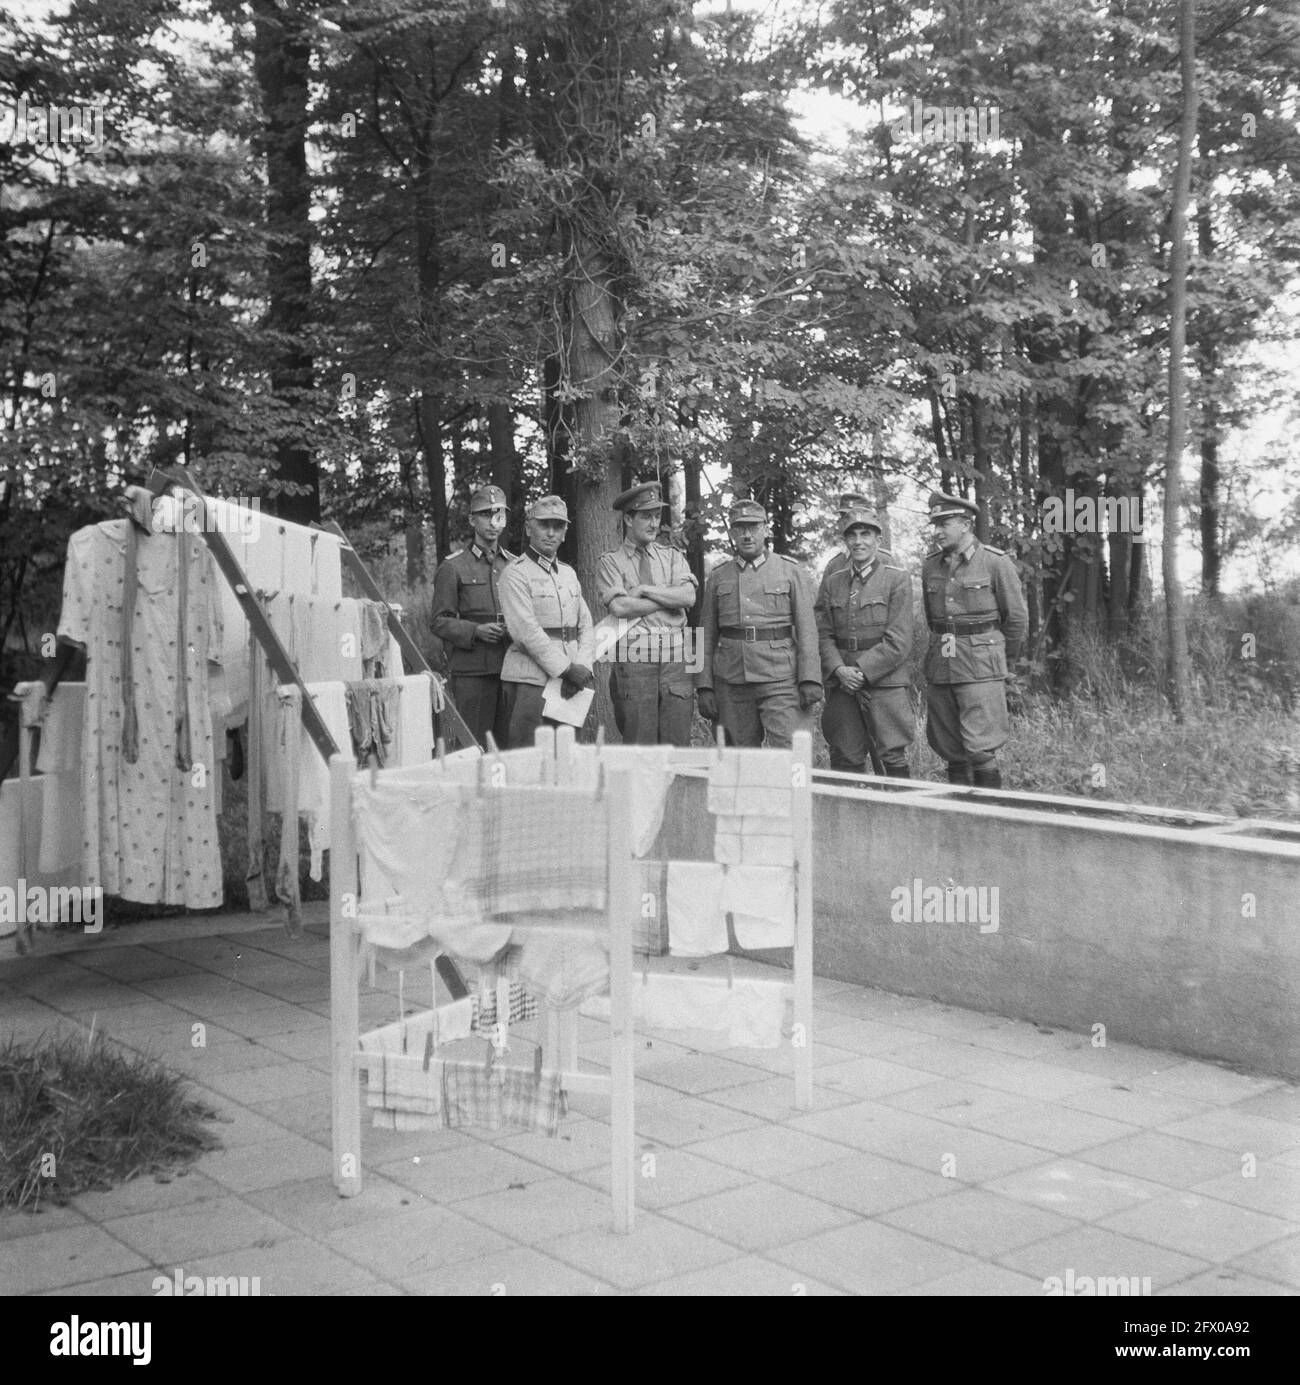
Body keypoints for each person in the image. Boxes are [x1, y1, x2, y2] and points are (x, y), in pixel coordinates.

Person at [921, 491, 1028, 788]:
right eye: (935, 525)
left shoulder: (995, 562)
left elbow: (1016, 618)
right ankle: (959, 822)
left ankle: (989, 819)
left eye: (944, 524)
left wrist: (999, 663)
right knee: (951, 749)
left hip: (981, 667)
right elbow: (934, 620)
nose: (938, 532)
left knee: (980, 749)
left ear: (965, 524)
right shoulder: (931, 566)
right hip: (943, 665)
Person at [695, 499, 822, 748]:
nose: (747, 535)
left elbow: (808, 630)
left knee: (790, 750)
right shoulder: (719, 576)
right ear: (732, 533)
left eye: (753, 527)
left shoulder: (790, 572)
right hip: (731, 680)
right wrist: (703, 685)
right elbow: (704, 635)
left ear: (766, 529)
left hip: (780, 677)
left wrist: (810, 678)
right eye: (740, 529)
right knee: (737, 757)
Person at [814, 506, 914, 778]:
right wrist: (838, 670)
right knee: (845, 753)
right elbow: (822, 632)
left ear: (878, 540)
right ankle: (849, 820)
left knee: (892, 754)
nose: (859, 541)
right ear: (845, 541)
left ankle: (899, 815)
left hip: (885, 681)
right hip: (842, 683)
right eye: (853, 535)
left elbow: (900, 640)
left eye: (866, 534)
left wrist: (861, 671)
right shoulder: (833, 581)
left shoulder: (897, 579)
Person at [595, 481, 698, 746]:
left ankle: (678, 789)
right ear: (629, 519)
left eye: (657, 516)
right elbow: (619, 607)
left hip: (678, 656)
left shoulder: (673, 556)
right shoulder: (610, 561)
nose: (654, 523)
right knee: (640, 744)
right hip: (634, 655)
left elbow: (688, 597)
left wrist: (644, 590)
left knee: (678, 744)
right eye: (646, 516)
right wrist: (667, 598)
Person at [498, 494, 595, 747]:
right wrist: (566, 670)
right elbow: (525, 631)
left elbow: (585, 625)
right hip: (530, 680)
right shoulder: (515, 574)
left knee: (567, 755)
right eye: (544, 525)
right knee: (528, 757)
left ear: (565, 532)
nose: (551, 533)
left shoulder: (568, 573)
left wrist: (582, 667)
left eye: (558, 526)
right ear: (529, 528)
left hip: (571, 681)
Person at [430, 484, 514, 748]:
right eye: (485, 515)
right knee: (473, 746)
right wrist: (474, 631)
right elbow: (439, 621)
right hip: (473, 672)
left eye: (498, 515)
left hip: (511, 668)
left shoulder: (514, 565)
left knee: (509, 748)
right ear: (471, 520)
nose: (493, 522)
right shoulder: (453, 566)